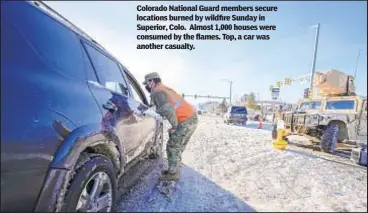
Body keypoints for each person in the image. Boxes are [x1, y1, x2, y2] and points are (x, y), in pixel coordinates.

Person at [143, 72, 198, 181]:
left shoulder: (156, 92)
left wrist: (175, 126)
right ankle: (174, 167)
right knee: (178, 144)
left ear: (152, 82)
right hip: (192, 117)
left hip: (185, 120)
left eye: (147, 83)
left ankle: (173, 174)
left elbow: (168, 109)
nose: (146, 86)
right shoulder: (163, 88)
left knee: (172, 146)